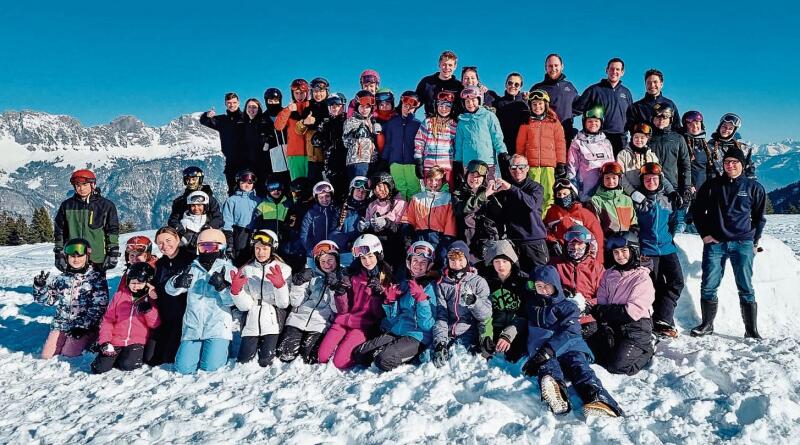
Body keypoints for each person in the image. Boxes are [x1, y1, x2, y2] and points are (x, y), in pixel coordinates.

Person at [521, 265, 623, 418]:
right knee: (548, 367)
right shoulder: (531, 306)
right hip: (544, 349)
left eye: (547, 286)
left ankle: (600, 399)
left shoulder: (568, 307)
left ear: (555, 285)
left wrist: (547, 351)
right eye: (539, 286)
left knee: (580, 368)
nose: (543, 290)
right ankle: (557, 395)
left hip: (570, 347)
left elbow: (570, 332)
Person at [691, 146, 767, 339]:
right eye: (727, 162)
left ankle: (751, 331)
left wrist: (754, 241)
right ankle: (707, 325)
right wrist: (705, 235)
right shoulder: (712, 185)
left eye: (735, 162)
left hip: (743, 244)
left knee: (746, 287)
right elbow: (698, 211)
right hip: (715, 244)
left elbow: (759, 217)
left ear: (742, 164)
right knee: (709, 285)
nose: (730, 165)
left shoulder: (753, 187)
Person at [353, 241, 438, 370]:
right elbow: (393, 319)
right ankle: (391, 350)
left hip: (418, 336)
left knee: (384, 360)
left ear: (429, 265)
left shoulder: (432, 288)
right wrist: (390, 302)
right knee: (360, 354)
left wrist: (422, 300)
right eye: (415, 260)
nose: (418, 265)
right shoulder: (405, 284)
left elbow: (427, 326)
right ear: (409, 262)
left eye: (423, 262)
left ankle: (415, 355)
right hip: (398, 331)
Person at [318, 234, 396, 369]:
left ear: (378, 255)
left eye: (370, 256)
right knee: (322, 357)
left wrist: (378, 295)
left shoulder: (386, 278)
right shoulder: (353, 275)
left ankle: (352, 346)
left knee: (340, 362)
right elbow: (343, 310)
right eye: (363, 258)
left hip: (363, 325)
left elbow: (378, 316)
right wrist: (340, 292)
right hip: (343, 321)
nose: (367, 261)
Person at [166, 228, 236, 374]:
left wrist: (222, 287)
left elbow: (232, 302)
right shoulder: (192, 268)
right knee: (183, 369)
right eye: (203, 246)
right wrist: (177, 282)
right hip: (193, 327)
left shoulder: (228, 269)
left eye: (212, 247)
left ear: (221, 247)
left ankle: (222, 349)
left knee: (211, 368)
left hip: (217, 326)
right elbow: (170, 290)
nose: (207, 251)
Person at [32, 238, 109, 359]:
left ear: (87, 256)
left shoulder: (95, 278)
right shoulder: (61, 279)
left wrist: (83, 326)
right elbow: (48, 301)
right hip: (62, 325)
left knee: (69, 353)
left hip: (84, 327)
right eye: (72, 256)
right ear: (66, 257)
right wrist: (40, 287)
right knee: (46, 355)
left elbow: (99, 306)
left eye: (80, 256)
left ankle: (93, 339)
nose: (76, 259)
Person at [591, 232, 655, 375]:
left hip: (637, 328)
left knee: (616, 366)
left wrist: (603, 311)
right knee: (600, 358)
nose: (620, 256)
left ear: (633, 250)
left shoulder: (642, 277)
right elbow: (602, 298)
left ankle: (647, 350)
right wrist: (602, 311)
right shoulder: (609, 274)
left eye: (624, 251)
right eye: (616, 252)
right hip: (615, 326)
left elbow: (632, 312)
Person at [634, 163, 685, 338]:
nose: (651, 182)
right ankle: (657, 323)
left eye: (654, 179)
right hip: (647, 250)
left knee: (676, 281)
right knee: (652, 285)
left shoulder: (668, 199)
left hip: (667, 248)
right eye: (647, 179)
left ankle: (663, 319)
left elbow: (674, 221)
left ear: (660, 180)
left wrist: (669, 236)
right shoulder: (638, 201)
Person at [229, 230, 291, 366]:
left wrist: (280, 286)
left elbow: (283, 304)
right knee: (244, 361)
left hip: (273, 320)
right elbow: (244, 306)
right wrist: (236, 291)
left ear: (272, 248)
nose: (260, 252)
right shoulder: (246, 269)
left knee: (265, 361)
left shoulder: (284, 269)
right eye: (257, 248)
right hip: (251, 318)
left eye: (264, 248)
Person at [431, 242, 493, 367]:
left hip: (469, 332)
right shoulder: (442, 284)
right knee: (431, 358)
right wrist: (440, 342)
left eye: (460, 259)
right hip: (448, 332)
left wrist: (474, 302)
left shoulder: (478, 282)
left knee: (460, 360)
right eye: (452, 260)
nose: (457, 264)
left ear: (467, 259)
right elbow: (441, 316)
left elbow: (486, 315)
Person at [279, 240, 342, 363]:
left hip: (320, 323)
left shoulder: (342, 278)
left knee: (308, 358)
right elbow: (295, 302)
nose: (326, 264)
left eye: (330, 260)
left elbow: (336, 309)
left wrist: (334, 288)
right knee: (285, 354)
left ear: (337, 260)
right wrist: (298, 283)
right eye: (322, 261)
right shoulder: (311, 275)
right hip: (298, 319)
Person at [92, 262, 160, 374]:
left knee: (128, 365)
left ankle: (124, 358)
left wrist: (148, 310)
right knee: (99, 368)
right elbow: (108, 321)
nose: (136, 286)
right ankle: (113, 357)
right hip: (116, 339)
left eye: (140, 283)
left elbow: (155, 324)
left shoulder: (150, 298)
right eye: (133, 282)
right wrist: (105, 341)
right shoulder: (119, 296)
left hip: (136, 340)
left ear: (147, 283)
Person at [487, 155, 550, 272]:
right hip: (514, 241)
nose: (518, 171)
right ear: (509, 169)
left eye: (521, 167)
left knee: (541, 276)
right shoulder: (505, 188)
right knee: (520, 278)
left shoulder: (535, 187)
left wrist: (511, 188)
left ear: (527, 168)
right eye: (514, 167)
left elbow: (532, 205)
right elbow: (499, 214)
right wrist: (490, 194)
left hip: (534, 241)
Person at [54, 169, 120, 273]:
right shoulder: (67, 206)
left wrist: (113, 251)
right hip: (74, 256)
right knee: (72, 287)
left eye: (85, 184)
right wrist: (59, 252)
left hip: (96, 257)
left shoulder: (106, 206)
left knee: (97, 287)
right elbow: (59, 231)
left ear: (92, 184)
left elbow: (112, 230)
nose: (81, 188)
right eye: (78, 185)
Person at [147, 227, 195, 366]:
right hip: (165, 317)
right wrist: (152, 292)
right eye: (160, 243)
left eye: (168, 240)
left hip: (184, 318)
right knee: (151, 359)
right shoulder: (160, 265)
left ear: (178, 239)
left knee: (168, 358)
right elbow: (156, 288)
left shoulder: (190, 260)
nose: (164, 246)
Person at [550, 225, 605, 345]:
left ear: (587, 246)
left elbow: (605, 294)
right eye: (571, 244)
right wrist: (559, 294)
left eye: (580, 245)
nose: (575, 248)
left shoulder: (596, 267)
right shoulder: (555, 264)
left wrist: (588, 304)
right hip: (562, 314)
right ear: (565, 245)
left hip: (587, 316)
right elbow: (544, 286)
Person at [515, 89, 568, 212]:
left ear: (545, 104)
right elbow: (520, 145)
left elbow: (560, 143)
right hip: (531, 166)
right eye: (534, 104)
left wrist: (561, 163)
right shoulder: (525, 123)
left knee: (548, 194)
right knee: (532, 194)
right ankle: (534, 222)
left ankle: (547, 222)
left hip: (549, 166)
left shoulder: (554, 122)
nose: (537, 106)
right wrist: (520, 163)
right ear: (530, 106)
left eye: (540, 103)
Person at [573, 58, 633, 155]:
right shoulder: (594, 90)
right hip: (599, 137)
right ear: (607, 70)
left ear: (622, 72)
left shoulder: (626, 93)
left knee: (619, 169)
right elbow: (576, 109)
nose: (614, 72)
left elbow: (631, 116)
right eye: (612, 69)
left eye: (617, 69)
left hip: (620, 139)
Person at [484, 239, 530, 363]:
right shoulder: (486, 281)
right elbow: (483, 312)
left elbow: (524, 313)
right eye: (497, 261)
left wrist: (508, 335)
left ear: (512, 261)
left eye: (505, 261)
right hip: (493, 327)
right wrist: (485, 334)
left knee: (516, 356)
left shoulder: (523, 281)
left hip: (516, 329)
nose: (501, 265)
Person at [648, 103, 691, 233]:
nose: (661, 120)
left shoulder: (678, 139)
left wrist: (686, 189)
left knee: (670, 228)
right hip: (650, 188)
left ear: (670, 119)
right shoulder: (647, 138)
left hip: (672, 189)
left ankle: (667, 251)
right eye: (658, 117)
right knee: (650, 225)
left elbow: (685, 166)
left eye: (665, 117)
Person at [402, 166, 457, 263]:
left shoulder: (448, 199)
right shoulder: (417, 198)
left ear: (443, 181)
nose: (433, 183)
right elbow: (408, 220)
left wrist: (445, 245)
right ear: (426, 180)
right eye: (430, 180)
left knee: (436, 264)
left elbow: (450, 226)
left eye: (437, 180)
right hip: (419, 236)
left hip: (438, 237)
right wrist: (408, 241)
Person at [543, 179, 605, 264]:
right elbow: (545, 230)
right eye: (559, 194)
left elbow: (597, 238)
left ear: (572, 194)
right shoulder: (551, 213)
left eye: (565, 194)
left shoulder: (584, 214)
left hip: (581, 256)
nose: (562, 197)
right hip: (560, 257)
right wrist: (552, 241)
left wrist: (597, 262)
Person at [455, 86, 508, 182]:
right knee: (471, 187)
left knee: (487, 187)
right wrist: (458, 161)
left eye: (473, 100)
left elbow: (497, 137)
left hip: (487, 161)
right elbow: (459, 144)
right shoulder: (462, 121)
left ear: (479, 100)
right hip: (468, 162)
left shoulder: (489, 116)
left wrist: (502, 152)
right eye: (467, 101)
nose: (470, 104)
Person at [452, 159, 500, 264]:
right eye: (472, 175)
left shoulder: (487, 192)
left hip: (486, 240)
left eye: (479, 177)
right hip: (467, 240)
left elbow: (498, 213)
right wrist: (484, 196)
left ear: (484, 178)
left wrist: (499, 194)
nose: (475, 179)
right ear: (467, 175)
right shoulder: (458, 193)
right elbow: (463, 210)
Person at [200, 92, 245, 195]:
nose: (232, 105)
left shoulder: (245, 118)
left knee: (247, 189)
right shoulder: (222, 120)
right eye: (229, 103)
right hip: (231, 162)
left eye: (234, 102)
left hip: (246, 161)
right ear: (225, 104)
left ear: (238, 103)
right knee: (233, 191)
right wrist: (207, 115)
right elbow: (204, 121)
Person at [359, 172, 407, 268]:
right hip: (375, 249)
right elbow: (367, 224)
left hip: (393, 246)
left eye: (380, 186)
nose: (377, 190)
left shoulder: (400, 203)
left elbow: (403, 230)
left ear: (389, 185)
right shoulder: (372, 205)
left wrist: (387, 223)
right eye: (374, 188)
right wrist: (364, 227)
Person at [567, 106, 615, 201]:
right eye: (589, 121)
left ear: (601, 123)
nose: (593, 124)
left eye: (596, 121)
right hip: (586, 194)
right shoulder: (577, 143)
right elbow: (571, 168)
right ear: (584, 123)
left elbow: (613, 167)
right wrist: (572, 188)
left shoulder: (606, 143)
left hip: (605, 193)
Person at [381, 91, 423, 200]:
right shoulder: (392, 123)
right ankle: (401, 214)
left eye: (410, 107)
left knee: (414, 188)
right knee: (400, 189)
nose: (407, 109)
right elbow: (388, 143)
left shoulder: (418, 124)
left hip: (411, 163)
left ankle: (414, 214)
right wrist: (384, 160)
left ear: (415, 108)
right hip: (395, 162)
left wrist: (420, 162)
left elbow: (421, 144)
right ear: (401, 105)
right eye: (405, 106)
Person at [414, 90, 458, 189]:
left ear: (452, 108)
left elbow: (456, 146)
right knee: (429, 193)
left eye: (447, 106)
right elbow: (419, 141)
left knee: (446, 193)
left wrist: (456, 163)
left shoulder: (454, 125)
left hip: (446, 168)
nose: (443, 109)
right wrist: (418, 160)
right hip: (429, 166)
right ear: (436, 106)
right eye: (441, 105)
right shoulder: (428, 122)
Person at [531, 54, 579, 140]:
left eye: (556, 65)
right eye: (550, 66)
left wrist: (568, 115)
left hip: (566, 135)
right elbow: (530, 111)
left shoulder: (569, 86)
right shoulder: (538, 88)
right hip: (545, 137)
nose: (553, 69)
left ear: (562, 66)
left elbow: (579, 105)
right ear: (546, 68)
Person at [167, 166, 224, 240]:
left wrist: (209, 226)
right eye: (188, 179)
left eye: (194, 179)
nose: (191, 182)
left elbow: (218, 218)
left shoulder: (209, 200)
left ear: (200, 180)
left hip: (208, 236)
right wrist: (180, 230)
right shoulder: (180, 202)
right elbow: (173, 220)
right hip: (186, 238)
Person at [588, 162, 638, 237]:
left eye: (614, 178)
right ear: (602, 179)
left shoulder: (626, 199)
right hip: (608, 241)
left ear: (619, 179)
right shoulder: (596, 200)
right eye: (607, 178)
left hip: (626, 241)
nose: (611, 181)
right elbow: (595, 226)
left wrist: (633, 231)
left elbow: (633, 220)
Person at [329, 176, 370, 268]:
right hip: (345, 254)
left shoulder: (369, 209)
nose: (360, 193)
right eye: (358, 190)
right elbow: (331, 233)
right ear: (352, 190)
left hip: (365, 256)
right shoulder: (341, 209)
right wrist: (347, 242)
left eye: (364, 192)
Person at [275, 79, 311, 180]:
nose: (299, 96)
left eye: (302, 93)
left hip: (312, 153)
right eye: (297, 93)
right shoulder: (289, 109)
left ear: (307, 93)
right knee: (297, 184)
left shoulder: (312, 107)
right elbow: (278, 126)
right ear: (293, 94)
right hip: (295, 154)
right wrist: (288, 110)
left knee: (312, 183)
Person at [222, 169, 261, 263]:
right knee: (240, 259)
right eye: (243, 182)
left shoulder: (258, 200)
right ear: (238, 182)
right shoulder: (232, 200)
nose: (247, 185)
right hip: (240, 233)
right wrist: (230, 243)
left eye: (250, 182)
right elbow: (227, 222)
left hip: (256, 233)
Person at [297, 77, 331, 183]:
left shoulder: (332, 105)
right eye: (315, 91)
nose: (318, 94)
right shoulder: (309, 108)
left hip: (330, 155)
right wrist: (304, 122)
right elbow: (298, 130)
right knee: (314, 185)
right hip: (314, 157)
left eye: (321, 91)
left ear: (326, 91)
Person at [343, 90, 384, 180]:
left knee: (370, 188)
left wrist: (377, 134)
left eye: (367, 107)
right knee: (360, 187)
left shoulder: (373, 121)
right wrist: (354, 134)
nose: (364, 110)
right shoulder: (351, 121)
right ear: (357, 107)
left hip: (372, 160)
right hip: (357, 161)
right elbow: (346, 143)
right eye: (362, 106)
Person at [626, 69, 681, 133]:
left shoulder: (670, 104)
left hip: (666, 142)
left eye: (655, 82)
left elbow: (677, 127)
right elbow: (633, 130)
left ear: (661, 84)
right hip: (646, 142)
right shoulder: (636, 107)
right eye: (649, 82)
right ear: (645, 84)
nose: (652, 85)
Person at [300, 181, 340, 267]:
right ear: (316, 198)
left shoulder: (336, 211)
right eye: (321, 197)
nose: (325, 199)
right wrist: (312, 251)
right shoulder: (311, 214)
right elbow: (304, 234)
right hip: (315, 254)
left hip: (333, 254)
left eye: (327, 196)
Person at [616, 123, 661, 197]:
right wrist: (632, 192)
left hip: (648, 193)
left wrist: (671, 191)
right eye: (636, 137)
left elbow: (660, 175)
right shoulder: (623, 155)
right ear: (632, 137)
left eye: (642, 137)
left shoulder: (652, 156)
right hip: (628, 193)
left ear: (647, 139)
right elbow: (620, 176)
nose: (639, 140)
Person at [415, 50, 464, 117]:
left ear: (455, 67)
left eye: (450, 65)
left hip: (452, 124)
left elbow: (466, 106)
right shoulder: (427, 82)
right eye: (444, 64)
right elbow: (415, 102)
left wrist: (479, 88)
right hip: (431, 123)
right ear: (439, 64)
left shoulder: (458, 86)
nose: (447, 68)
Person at [318, 92, 349, 198]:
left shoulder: (348, 121)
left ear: (343, 106)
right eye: (331, 105)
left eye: (338, 105)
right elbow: (318, 137)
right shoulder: (325, 123)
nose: (334, 108)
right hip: (331, 164)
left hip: (346, 163)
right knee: (334, 194)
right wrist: (319, 138)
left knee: (347, 192)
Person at [707, 113, 755, 179]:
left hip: (738, 186)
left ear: (734, 131)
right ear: (719, 127)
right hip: (715, 186)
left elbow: (750, 170)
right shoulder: (708, 147)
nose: (726, 130)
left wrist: (751, 186)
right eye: (724, 126)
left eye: (730, 128)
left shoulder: (743, 149)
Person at [241, 98, 271, 194]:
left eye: (254, 107)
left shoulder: (263, 122)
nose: (251, 109)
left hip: (264, 163)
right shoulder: (243, 124)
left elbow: (270, 137)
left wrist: (266, 143)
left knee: (263, 189)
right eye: (249, 107)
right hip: (248, 163)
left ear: (259, 109)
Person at [495, 72, 529, 152]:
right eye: (510, 83)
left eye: (516, 84)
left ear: (520, 87)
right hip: (503, 148)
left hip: (521, 148)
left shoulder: (525, 104)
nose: (512, 86)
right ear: (505, 84)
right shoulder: (498, 103)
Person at [251, 177, 292, 243]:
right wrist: (254, 233)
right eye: (272, 188)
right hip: (268, 238)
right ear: (268, 189)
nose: (276, 191)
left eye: (278, 188)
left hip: (283, 238)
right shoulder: (263, 205)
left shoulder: (287, 204)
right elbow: (255, 221)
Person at [263, 87, 290, 186]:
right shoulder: (263, 119)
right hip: (274, 158)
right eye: (270, 101)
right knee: (280, 184)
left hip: (290, 153)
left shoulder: (287, 114)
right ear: (266, 101)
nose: (273, 103)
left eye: (276, 100)